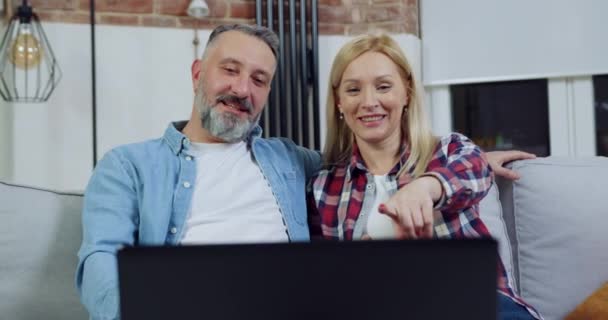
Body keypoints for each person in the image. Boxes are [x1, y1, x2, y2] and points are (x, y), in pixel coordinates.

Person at [76, 23, 535, 319]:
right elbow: (100, 260)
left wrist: (461, 165)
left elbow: (411, 157)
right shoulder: (129, 165)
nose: (241, 89)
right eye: (229, 70)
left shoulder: (289, 162)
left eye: (258, 79)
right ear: (198, 73)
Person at [307, 33, 541, 319]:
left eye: (383, 86)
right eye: (353, 90)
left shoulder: (447, 150)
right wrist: (359, 266)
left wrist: (426, 187)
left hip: (473, 301)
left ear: (406, 93)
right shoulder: (323, 186)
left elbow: (476, 169)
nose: (369, 102)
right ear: (339, 102)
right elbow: (324, 283)